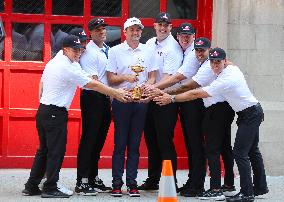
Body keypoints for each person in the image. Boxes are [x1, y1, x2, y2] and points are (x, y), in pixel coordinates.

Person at [22, 34, 131, 198]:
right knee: (55, 152)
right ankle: (51, 187)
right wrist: (115, 92)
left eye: (80, 50)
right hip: (54, 112)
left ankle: (31, 186)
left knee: (44, 151)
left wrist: (44, 103)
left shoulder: (57, 60)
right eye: (75, 50)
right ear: (65, 49)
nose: (78, 53)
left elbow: (42, 85)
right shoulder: (67, 67)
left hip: (45, 110)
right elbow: (91, 84)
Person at [153, 47, 269, 202]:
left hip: (250, 114)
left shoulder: (226, 79)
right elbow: (230, 65)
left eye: (218, 62)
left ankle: (247, 193)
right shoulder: (231, 68)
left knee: (240, 153)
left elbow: (196, 93)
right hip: (248, 112)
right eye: (212, 62)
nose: (214, 66)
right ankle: (260, 187)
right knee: (252, 150)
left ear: (224, 62)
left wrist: (171, 98)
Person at [145, 23, 206, 196]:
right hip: (184, 100)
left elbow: (178, 77)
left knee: (195, 142)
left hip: (194, 100)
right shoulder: (183, 51)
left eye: (189, 35)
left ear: (194, 36)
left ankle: (197, 184)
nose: (185, 38)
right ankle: (192, 181)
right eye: (182, 35)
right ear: (178, 36)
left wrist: (155, 88)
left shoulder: (194, 53)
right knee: (190, 141)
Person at [106, 17, 157, 197]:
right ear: (125, 32)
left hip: (140, 102)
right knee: (120, 144)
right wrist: (126, 78)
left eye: (138, 30)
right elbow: (111, 79)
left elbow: (152, 77)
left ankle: (132, 184)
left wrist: (147, 87)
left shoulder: (148, 51)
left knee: (135, 145)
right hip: (122, 100)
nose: (136, 33)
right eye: (132, 30)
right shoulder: (114, 51)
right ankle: (117, 184)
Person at [138, 12, 183, 191]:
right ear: (154, 26)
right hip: (150, 97)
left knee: (164, 140)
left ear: (171, 27)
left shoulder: (174, 47)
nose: (163, 28)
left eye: (166, 25)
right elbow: (147, 71)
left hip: (165, 100)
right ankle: (153, 179)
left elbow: (169, 78)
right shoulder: (149, 43)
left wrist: (151, 91)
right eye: (160, 24)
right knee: (151, 140)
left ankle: (170, 181)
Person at [75, 18, 112, 195]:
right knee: (89, 139)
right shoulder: (89, 51)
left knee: (99, 139)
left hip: (104, 98)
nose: (102, 31)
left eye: (103, 28)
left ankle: (92, 176)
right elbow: (93, 81)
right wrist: (114, 94)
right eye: (97, 29)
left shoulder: (105, 49)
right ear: (90, 32)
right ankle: (82, 180)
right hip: (93, 97)